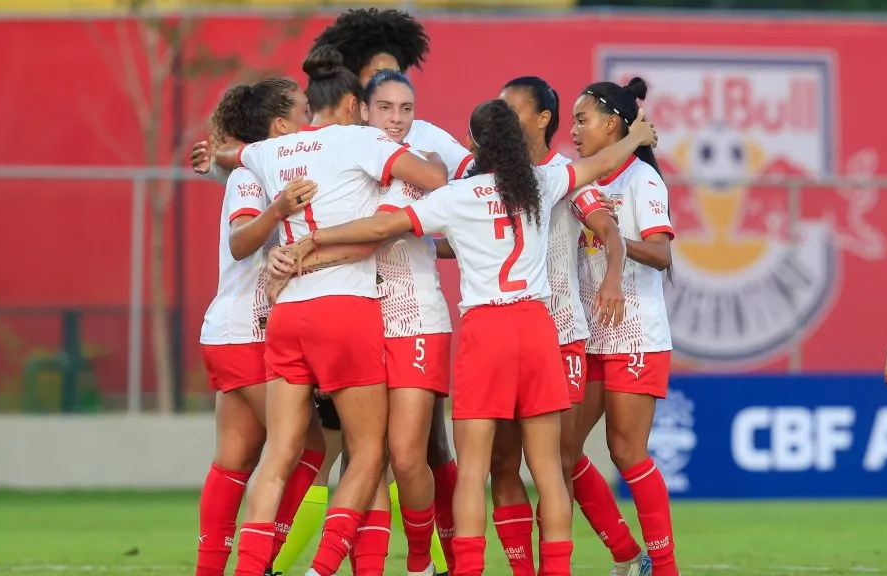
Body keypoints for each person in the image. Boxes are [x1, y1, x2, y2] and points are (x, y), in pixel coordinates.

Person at [277, 98, 658, 576]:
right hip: (538, 329)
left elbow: (381, 225)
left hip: (486, 331)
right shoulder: (540, 183)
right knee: (549, 473)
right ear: (520, 142)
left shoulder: (458, 197)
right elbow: (600, 164)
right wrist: (635, 138)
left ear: (474, 143)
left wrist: (315, 238)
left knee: (472, 471)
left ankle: (469, 569)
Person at [212, 45, 448, 576]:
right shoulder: (360, 140)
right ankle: (322, 568)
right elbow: (432, 181)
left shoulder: (272, 152)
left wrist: (216, 157)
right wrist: (431, 158)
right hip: (346, 307)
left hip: (288, 309)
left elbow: (234, 155)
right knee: (367, 454)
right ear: (349, 104)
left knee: (279, 455)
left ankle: (249, 568)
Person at [269, 69, 459, 576]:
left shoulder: (418, 168)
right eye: (385, 108)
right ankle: (353, 566)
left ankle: (421, 562)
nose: (396, 119)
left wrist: (303, 255)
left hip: (415, 317)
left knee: (404, 456)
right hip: (365, 318)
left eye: (406, 109)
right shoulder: (355, 162)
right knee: (363, 456)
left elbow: (375, 235)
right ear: (362, 112)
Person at [486, 77, 627, 576]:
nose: (503, 118)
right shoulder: (482, 173)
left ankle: (573, 565)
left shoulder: (565, 176)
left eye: (513, 110)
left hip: (560, 334)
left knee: (558, 463)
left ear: (544, 118)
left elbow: (609, 231)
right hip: (500, 337)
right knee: (501, 464)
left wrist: (612, 279)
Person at [193, 77, 324, 576]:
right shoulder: (255, 177)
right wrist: (277, 209)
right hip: (247, 332)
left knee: (235, 457)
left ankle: (211, 569)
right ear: (280, 125)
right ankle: (260, 562)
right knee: (308, 448)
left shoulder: (256, 170)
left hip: (228, 331)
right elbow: (240, 241)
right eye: (303, 111)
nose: (310, 122)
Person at [568, 77, 679, 576]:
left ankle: (665, 566)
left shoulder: (641, 181)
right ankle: (627, 556)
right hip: (589, 333)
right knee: (563, 451)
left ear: (613, 123)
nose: (573, 129)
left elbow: (661, 253)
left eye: (581, 118)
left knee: (625, 450)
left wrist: (611, 236)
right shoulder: (579, 179)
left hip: (635, 329)